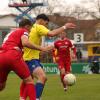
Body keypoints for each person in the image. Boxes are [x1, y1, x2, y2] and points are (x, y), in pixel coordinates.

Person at [20, 14, 76, 100]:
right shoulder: (38, 27)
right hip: (30, 59)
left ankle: (23, 98)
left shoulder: (31, 29)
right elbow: (52, 33)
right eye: (46, 24)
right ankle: (36, 98)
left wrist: (41, 51)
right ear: (41, 20)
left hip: (28, 58)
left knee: (28, 81)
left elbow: (28, 45)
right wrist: (65, 26)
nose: (46, 26)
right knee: (42, 77)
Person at [0, 18, 52, 100]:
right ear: (27, 26)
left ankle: (22, 98)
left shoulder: (10, 33)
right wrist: (41, 48)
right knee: (29, 81)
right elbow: (25, 42)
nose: (30, 31)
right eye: (30, 29)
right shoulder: (23, 31)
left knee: (1, 86)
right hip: (13, 55)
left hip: (1, 56)